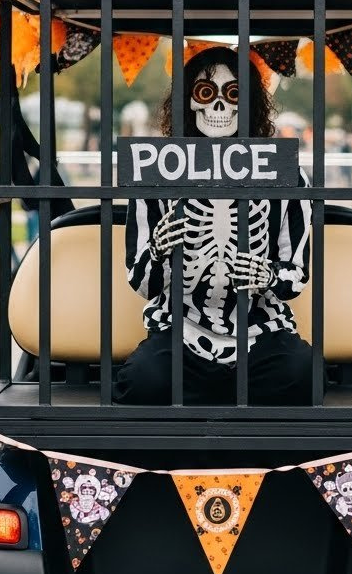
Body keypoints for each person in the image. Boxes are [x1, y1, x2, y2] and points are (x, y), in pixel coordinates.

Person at [114, 47, 312, 405]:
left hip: (261, 330)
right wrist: (158, 249)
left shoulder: (286, 175)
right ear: (188, 103)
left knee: (302, 375)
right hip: (180, 329)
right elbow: (141, 283)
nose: (219, 107)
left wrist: (266, 274)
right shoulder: (157, 173)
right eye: (206, 94)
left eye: (233, 94)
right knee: (142, 381)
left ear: (249, 103)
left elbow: (296, 276)